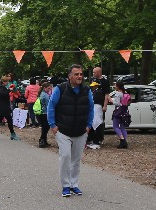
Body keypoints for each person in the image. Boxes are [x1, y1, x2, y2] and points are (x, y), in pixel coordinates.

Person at [47, 64, 93, 197]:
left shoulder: (87, 90)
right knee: (65, 156)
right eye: (76, 74)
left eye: (81, 74)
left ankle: (74, 184)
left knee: (76, 159)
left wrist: (89, 125)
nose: (79, 76)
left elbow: (91, 108)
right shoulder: (60, 89)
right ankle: (66, 185)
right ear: (69, 76)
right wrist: (53, 125)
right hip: (63, 130)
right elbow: (51, 106)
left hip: (81, 130)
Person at [0, 73, 18, 140]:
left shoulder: (3, 88)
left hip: (4, 106)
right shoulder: (0, 88)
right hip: (2, 107)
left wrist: (11, 89)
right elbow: (3, 94)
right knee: (9, 121)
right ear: (3, 82)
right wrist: (9, 90)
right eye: (6, 81)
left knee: (0, 120)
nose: (7, 83)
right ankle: (12, 134)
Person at [88, 66, 108, 148]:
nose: (93, 74)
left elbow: (106, 94)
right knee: (92, 121)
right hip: (93, 106)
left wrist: (105, 105)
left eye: (94, 72)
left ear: (99, 72)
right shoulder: (93, 80)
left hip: (100, 105)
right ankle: (91, 138)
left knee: (99, 121)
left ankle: (99, 138)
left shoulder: (105, 81)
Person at [110, 80, 132, 149]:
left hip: (118, 112)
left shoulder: (118, 94)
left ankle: (122, 141)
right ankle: (125, 142)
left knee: (115, 126)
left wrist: (111, 100)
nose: (114, 87)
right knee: (122, 127)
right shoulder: (124, 93)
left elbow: (117, 103)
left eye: (115, 85)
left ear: (117, 86)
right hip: (124, 112)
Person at [36, 81, 53, 147]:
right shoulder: (45, 95)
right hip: (44, 113)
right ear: (44, 88)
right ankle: (42, 140)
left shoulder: (41, 94)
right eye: (48, 88)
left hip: (41, 113)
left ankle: (44, 140)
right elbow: (48, 105)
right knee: (45, 127)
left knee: (44, 127)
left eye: (50, 88)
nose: (49, 90)